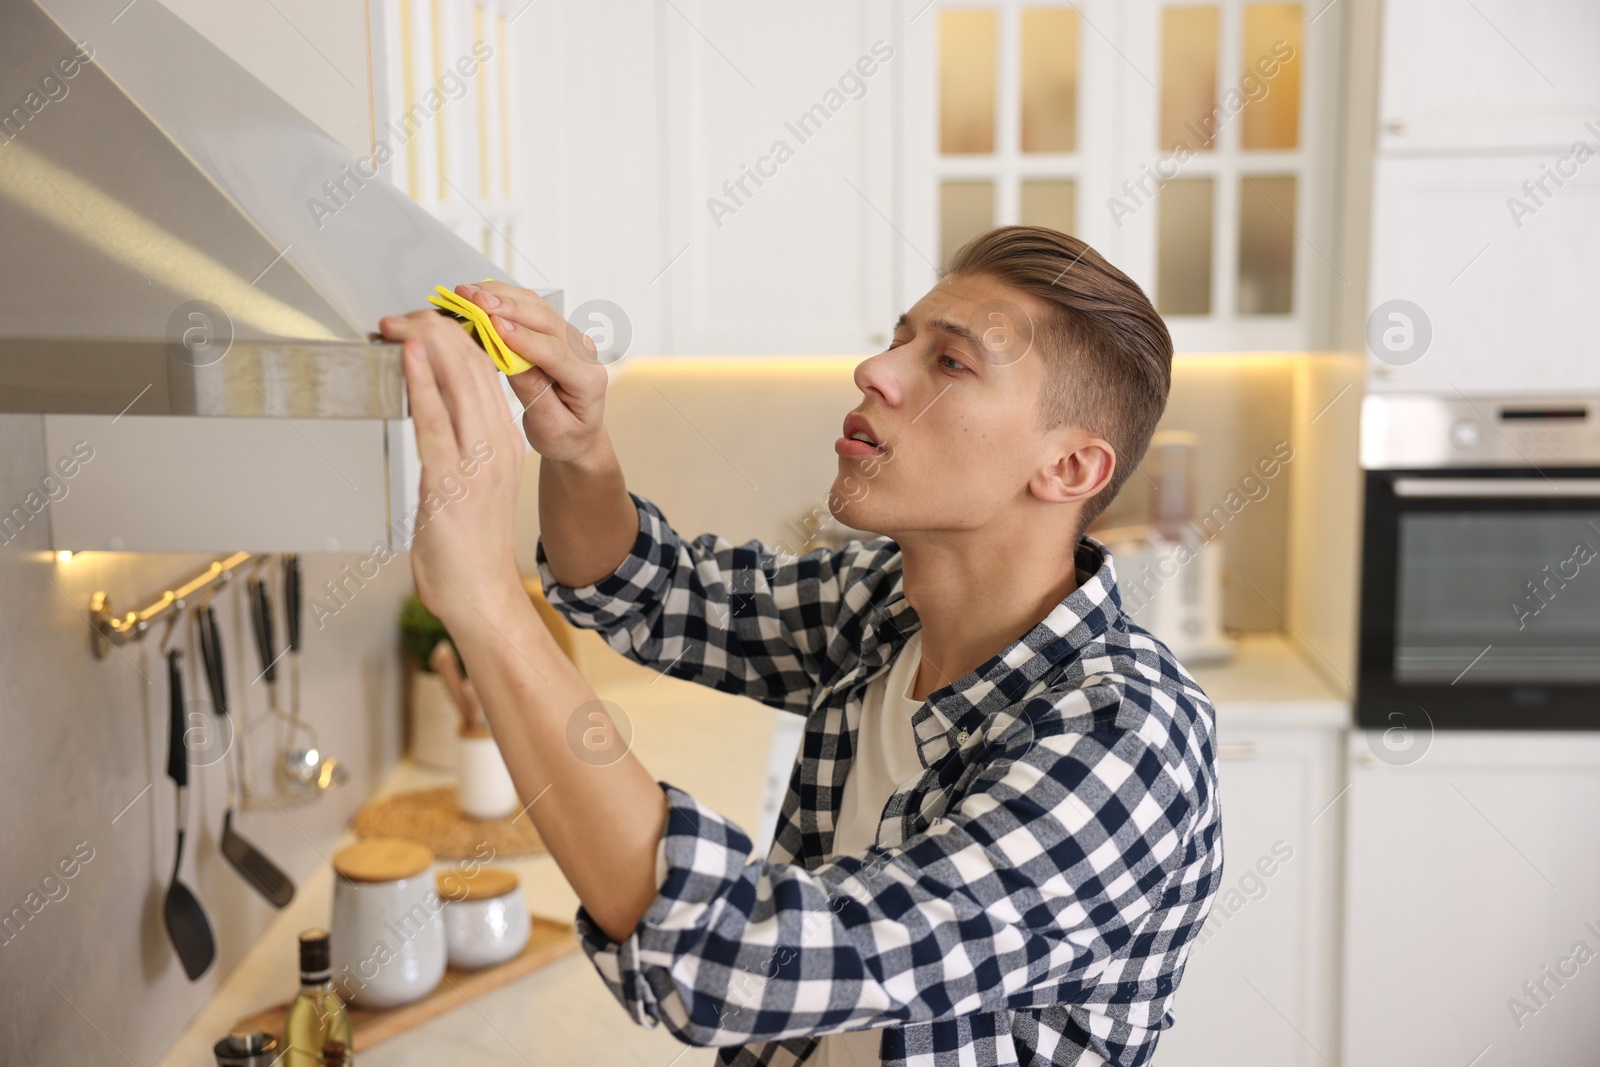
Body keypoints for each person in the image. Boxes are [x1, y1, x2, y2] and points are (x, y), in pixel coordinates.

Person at [377, 225, 1222, 1066]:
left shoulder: (1129, 737)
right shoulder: (883, 607)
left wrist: (488, 603)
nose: (875, 371)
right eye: (900, 339)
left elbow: (735, 961)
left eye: (951, 362)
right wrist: (577, 449)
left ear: (1070, 468)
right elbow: (648, 590)